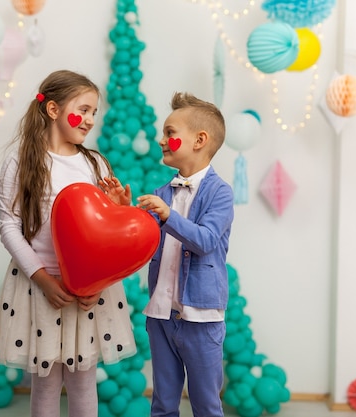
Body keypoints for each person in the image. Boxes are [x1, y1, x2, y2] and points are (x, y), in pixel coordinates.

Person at [0, 69, 137, 417]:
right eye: (83, 109)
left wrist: (118, 209)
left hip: (88, 291)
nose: (89, 120)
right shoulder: (21, 161)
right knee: (47, 381)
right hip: (39, 287)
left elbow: (106, 234)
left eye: (94, 113)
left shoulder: (94, 163)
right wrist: (42, 278)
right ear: (53, 109)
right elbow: (9, 226)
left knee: (84, 381)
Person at [136, 92, 234, 417]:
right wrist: (124, 208)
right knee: (163, 403)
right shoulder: (163, 193)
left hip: (200, 318)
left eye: (170, 133)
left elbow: (205, 240)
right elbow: (137, 239)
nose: (161, 140)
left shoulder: (220, 193)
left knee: (206, 404)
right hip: (161, 314)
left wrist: (167, 216)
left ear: (199, 140)